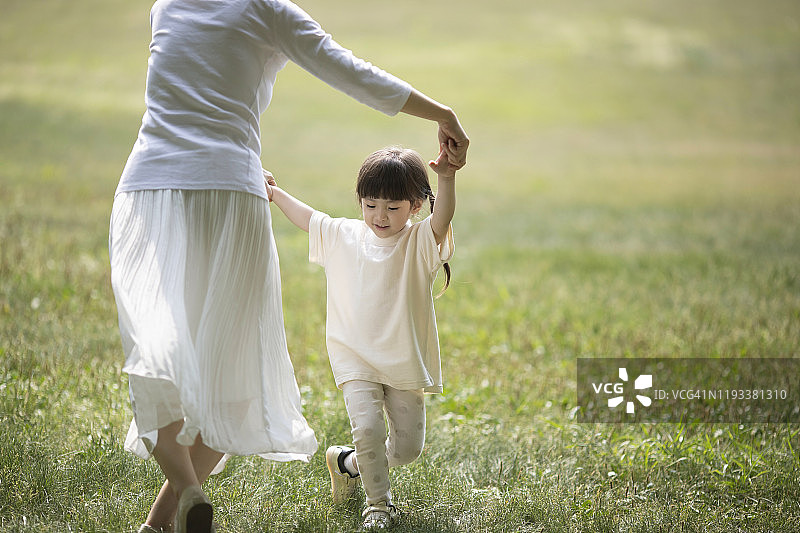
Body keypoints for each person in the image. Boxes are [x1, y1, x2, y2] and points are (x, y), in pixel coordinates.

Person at [110, 1, 468, 532]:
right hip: (231, 188)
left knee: (156, 352)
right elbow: (348, 70)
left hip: (148, 185)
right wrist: (441, 114)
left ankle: (182, 496)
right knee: (233, 379)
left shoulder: (167, 6)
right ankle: (164, 518)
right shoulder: (264, 9)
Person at [265, 144, 457, 530]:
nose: (380, 216)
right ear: (360, 202)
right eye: (371, 205)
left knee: (407, 449)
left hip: (402, 360)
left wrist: (447, 176)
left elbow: (444, 218)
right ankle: (378, 505)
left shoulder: (419, 242)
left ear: (416, 205)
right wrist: (273, 192)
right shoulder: (345, 236)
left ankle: (347, 463)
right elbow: (309, 218)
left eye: (392, 207)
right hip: (354, 356)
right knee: (367, 429)